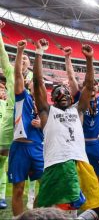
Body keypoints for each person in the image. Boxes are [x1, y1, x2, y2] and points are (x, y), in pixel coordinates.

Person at [33, 40, 99, 218]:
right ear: (53, 98)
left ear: (71, 97)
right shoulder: (47, 112)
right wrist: (39, 52)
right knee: (47, 208)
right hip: (56, 163)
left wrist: (89, 59)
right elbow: (38, 82)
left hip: (80, 161)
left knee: (94, 208)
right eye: (57, 92)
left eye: (65, 91)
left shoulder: (78, 110)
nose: (62, 94)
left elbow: (88, 85)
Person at [64, 45, 99, 191]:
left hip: (97, 144)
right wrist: (67, 58)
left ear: (98, 88)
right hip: (79, 144)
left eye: (95, 86)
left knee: (98, 177)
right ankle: (77, 206)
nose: (93, 88)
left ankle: (96, 207)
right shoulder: (79, 99)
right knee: (76, 177)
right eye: (89, 86)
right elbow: (71, 77)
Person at [8, 40, 44, 217]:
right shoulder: (23, 97)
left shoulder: (45, 106)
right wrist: (20, 51)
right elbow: (18, 76)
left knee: (46, 185)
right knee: (18, 189)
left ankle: (36, 215)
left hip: (38, 147)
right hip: (20, 147)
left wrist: (42, 123)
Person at [0, 20, 14, 210]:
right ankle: (2, 195)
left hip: (24, 126)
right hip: (9, 124)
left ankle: (32, 197)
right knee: (2, 161)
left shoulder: (30, 81)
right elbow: (3, 56)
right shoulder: (11, 74)